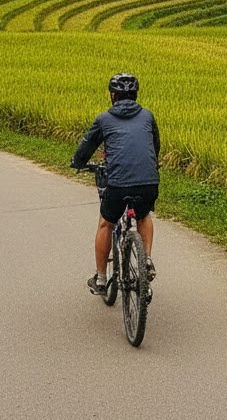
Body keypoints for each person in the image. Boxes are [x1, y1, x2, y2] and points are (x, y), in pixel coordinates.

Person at [71, 73, 159, 295]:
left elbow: (87, 146)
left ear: (113, 95)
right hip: (148, 181)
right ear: (135, 94)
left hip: (118, 184)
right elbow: (155, 146)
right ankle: (146, 260)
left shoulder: (104, 119)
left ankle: (101, 279)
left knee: (106, 224)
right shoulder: (147, 116)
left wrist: (78, 162)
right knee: (143, 215)